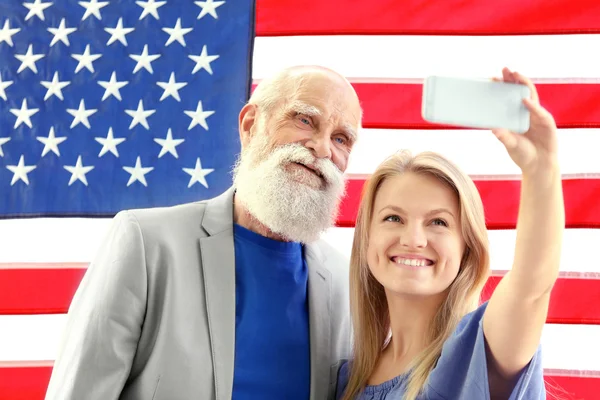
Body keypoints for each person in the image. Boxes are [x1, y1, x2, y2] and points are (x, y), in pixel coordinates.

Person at [44, 65, 363, 400]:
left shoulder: (346, 282)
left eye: (341, 138)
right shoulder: (147, 242)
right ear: (251, 125)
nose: (323, 148)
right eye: (304, 120)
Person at [335, 68, 563, 400]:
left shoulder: (476, 353)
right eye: (393, 218)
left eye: (438, 223)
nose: (413, 239)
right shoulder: (345, 379)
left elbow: (532, 288)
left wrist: (541, 167)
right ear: (367, 240)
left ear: (467, 249)